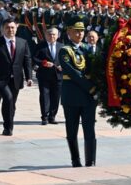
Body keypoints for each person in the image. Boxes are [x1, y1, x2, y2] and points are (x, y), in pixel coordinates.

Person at [59, 16, 98, 167]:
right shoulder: (64, 50)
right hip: (72, 95)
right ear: (69, 31)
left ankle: (91, 160)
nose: (80, 34)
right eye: (77, 31)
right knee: (72, 129)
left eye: (82, 31)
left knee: (90, 129)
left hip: (88, 97)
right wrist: (92, 88)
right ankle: (75, 159)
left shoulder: (88, 49)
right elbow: (74, 74)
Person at [0, 18, 33, 136]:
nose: (10, 30)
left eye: (12, 27)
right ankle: (8, 127)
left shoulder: (22, 42)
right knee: (8, 98)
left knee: (11, 104)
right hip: (0, 79)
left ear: (16, 28)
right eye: (7, 27)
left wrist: (29, 77)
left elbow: (27, 60)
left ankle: (8, 122)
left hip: (16, 78)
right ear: (3, 29)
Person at [33, 28, 63, 125]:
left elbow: (65, 59)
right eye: (49, 34)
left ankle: (52, 116)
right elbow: (34, 58)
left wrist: (63, 66)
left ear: (57, 35)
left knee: (56, 96)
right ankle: (44, 116)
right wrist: (43, 63)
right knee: (44, 96)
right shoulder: (40, 46)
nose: (52, 36)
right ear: (45, 35)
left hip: (58, 75)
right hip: (44, 75)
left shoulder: (61, 46)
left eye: (54, 34)